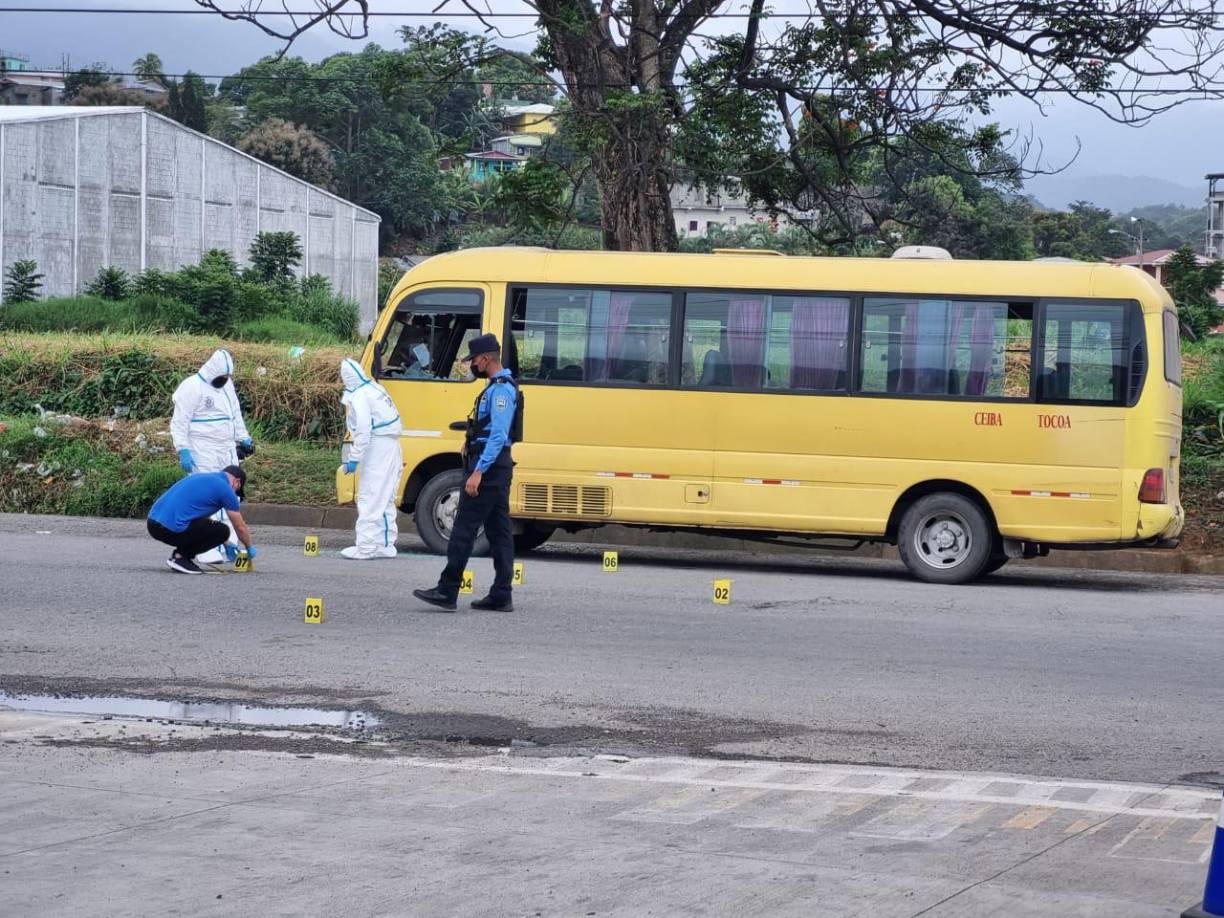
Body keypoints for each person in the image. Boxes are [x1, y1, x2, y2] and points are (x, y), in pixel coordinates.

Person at [413, 333, 520, 612]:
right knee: (499, 532)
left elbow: (498, 435)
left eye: (474, 360)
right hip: (495, 466)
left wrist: (478, 471)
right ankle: (501, 594)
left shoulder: (500, 390)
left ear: (485, 359)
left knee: (463, 529)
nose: (472, 365)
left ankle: (447, 591)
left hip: (489, 468)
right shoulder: (498, 386)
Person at [170, 349, 253, 564]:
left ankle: (230, 543)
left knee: (231, 496)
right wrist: (183, 449)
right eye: (222, 376)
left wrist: (243, 437)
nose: (224, 380)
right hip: (202, 449)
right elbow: (179, 421)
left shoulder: (227, 386)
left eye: (227, 377)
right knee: (206, 497)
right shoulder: (192, 387)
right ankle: (206, 548)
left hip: (226, 448)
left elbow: (235, 413)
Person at [339, 357, 404, 559]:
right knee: (386, 498)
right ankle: (385, 544)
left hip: (378, 448)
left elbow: (363, 430)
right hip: (392, 446)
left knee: (370, 496)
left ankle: (366, 547)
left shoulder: (360, 396)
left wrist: (353, 458)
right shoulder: (375, 388)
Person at [147, 465, 256, 574]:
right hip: (170, 529)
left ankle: (180, 557)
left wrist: (226, 543)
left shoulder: (201, 477)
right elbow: (240, 527)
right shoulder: (226, 490)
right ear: (237, 482)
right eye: (237, 490)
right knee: (222, 531)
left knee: (211, 524)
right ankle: (180, 557)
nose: (234, 493)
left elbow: (197, 513)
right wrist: (249, 547)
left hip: (152, 524)